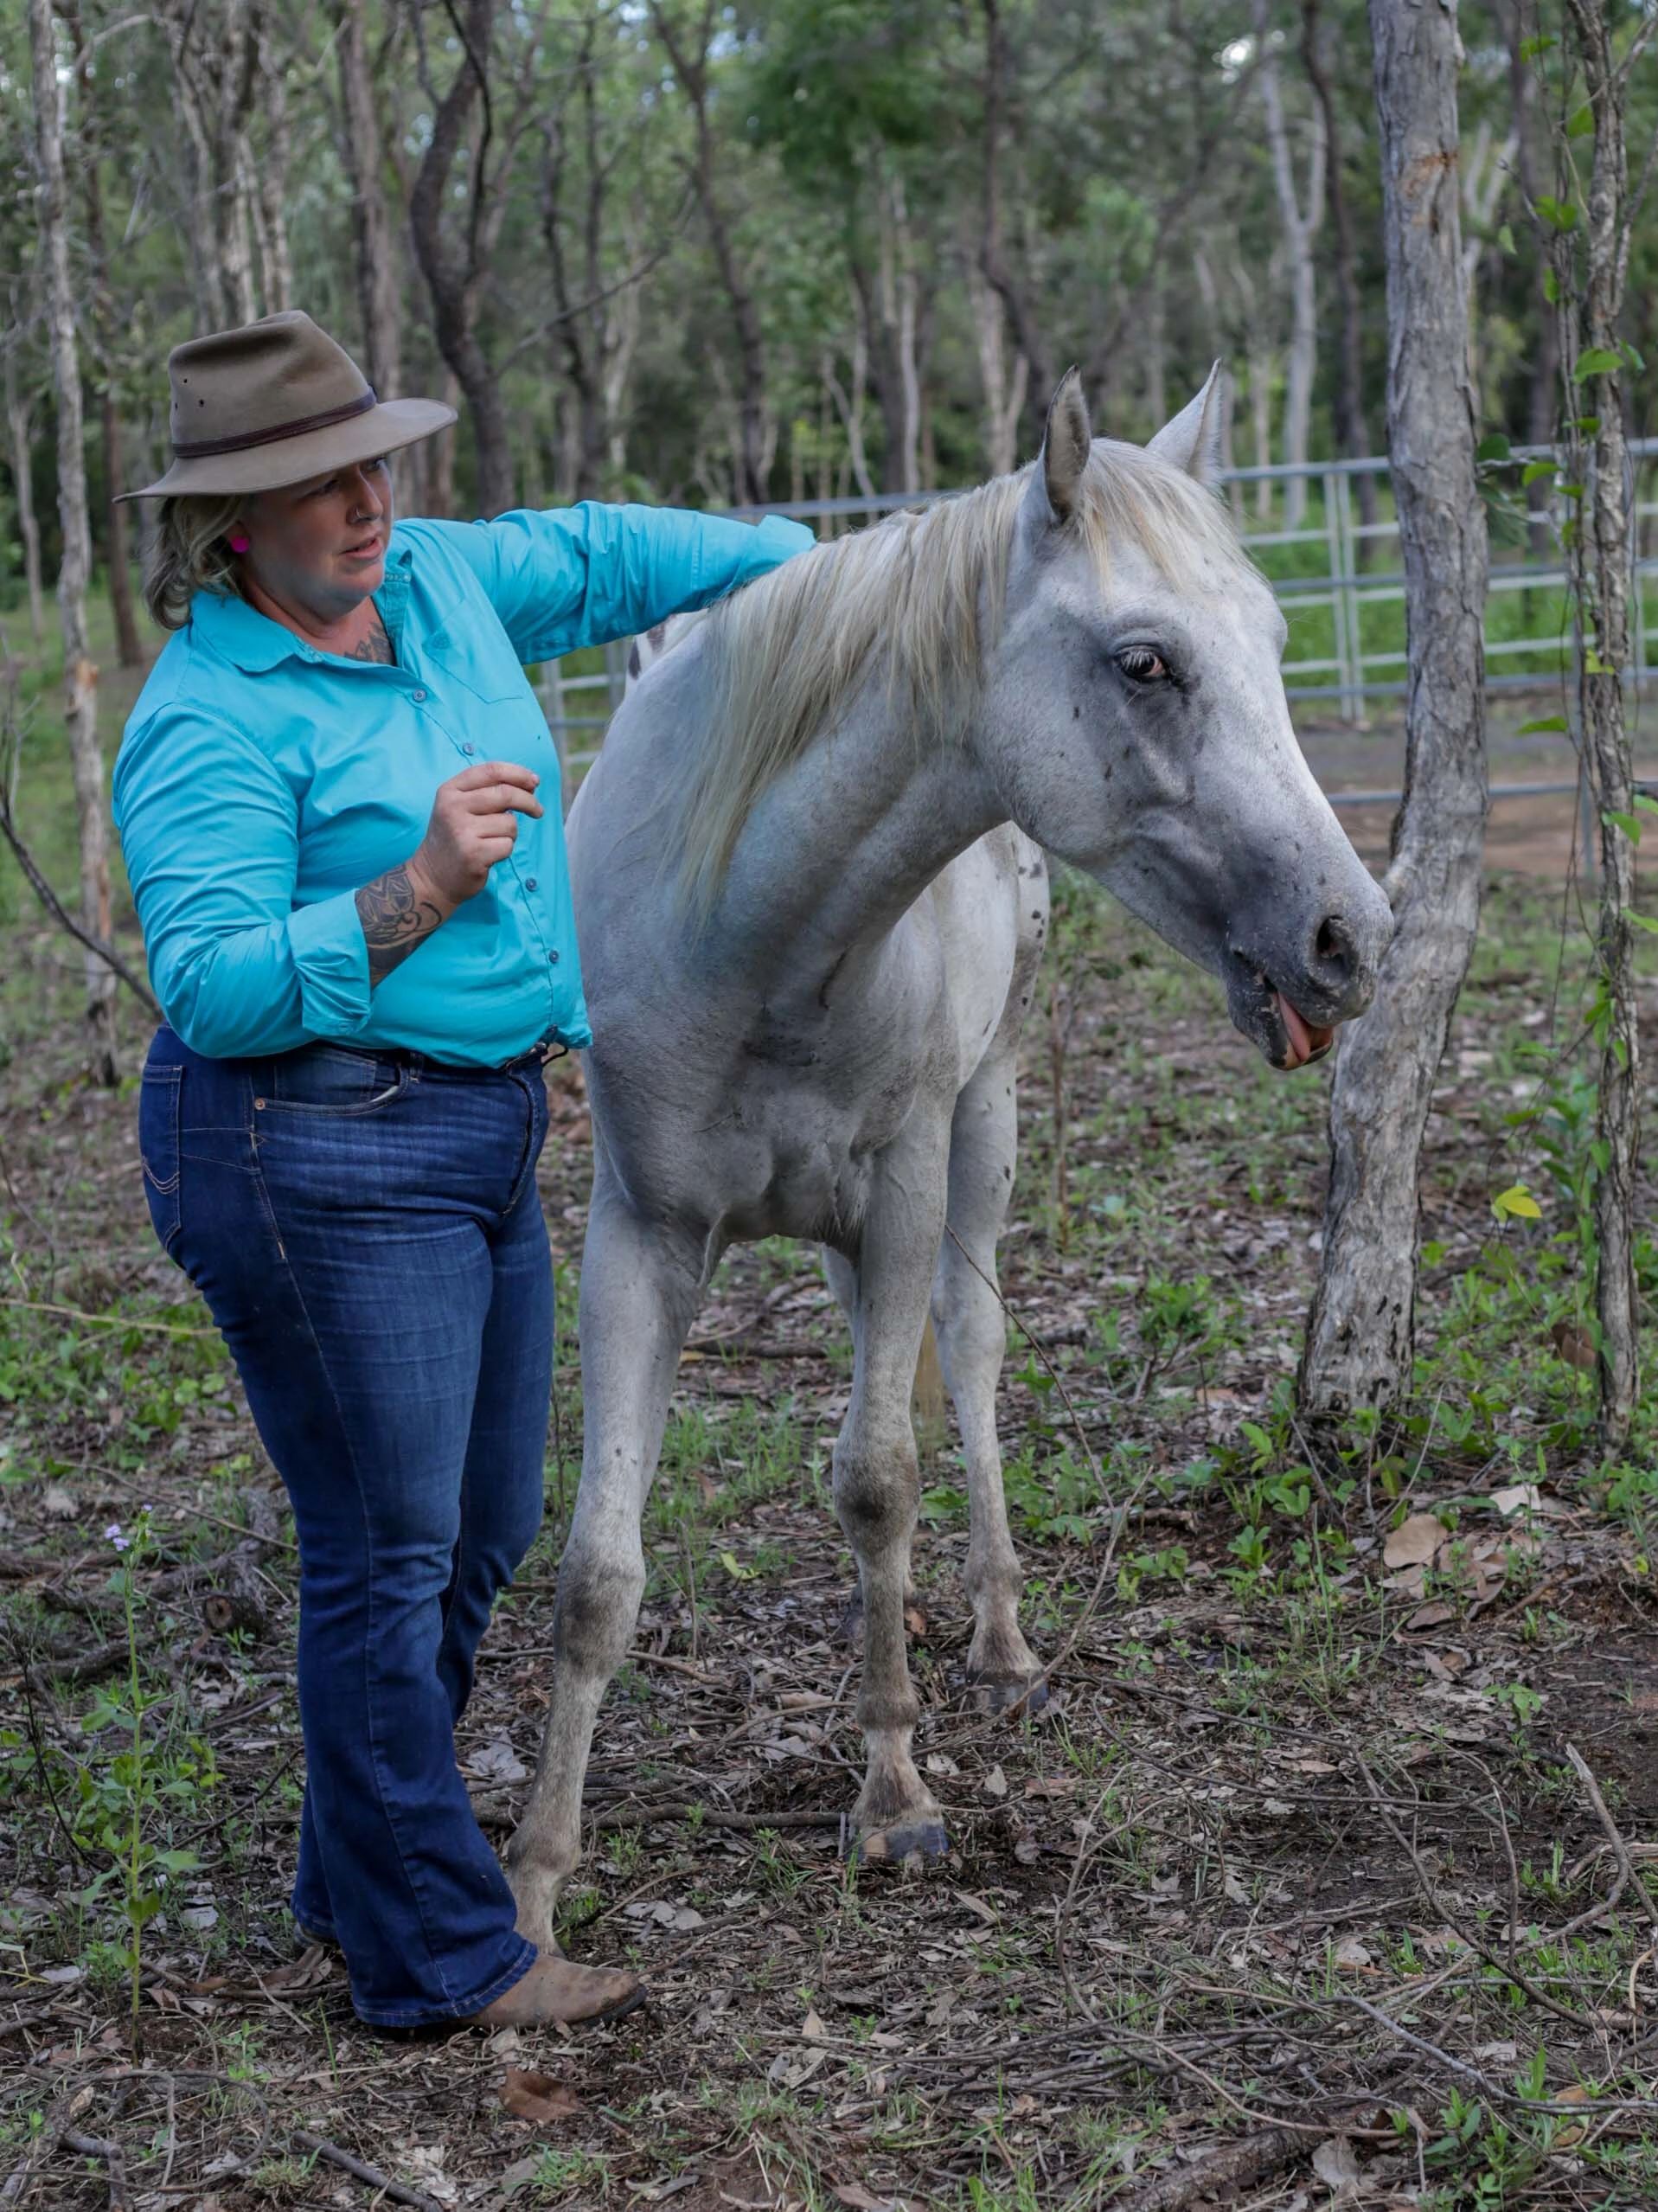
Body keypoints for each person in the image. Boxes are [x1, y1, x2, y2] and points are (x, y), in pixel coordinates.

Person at [112, 311, 812, 2031]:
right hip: (311, 1146)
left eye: (370, 463)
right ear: (232, 529)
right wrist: (411, 886)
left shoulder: (429, 582)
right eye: (315, 486)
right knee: (386, 1546)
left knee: (481, 1519)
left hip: (477, 1126)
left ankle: (353, 1871)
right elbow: (205, 979)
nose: (365, 502)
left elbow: (589, 553)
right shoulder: (207, 715)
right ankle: (437, 1951)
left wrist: (815, 565)